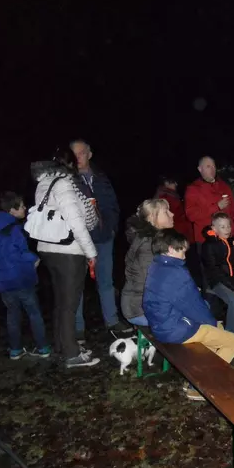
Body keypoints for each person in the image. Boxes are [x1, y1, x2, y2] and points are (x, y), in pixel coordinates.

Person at [143, 229, 234, 401]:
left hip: (161, 326)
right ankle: (200, 386)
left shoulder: (156, 266)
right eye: (181, 250)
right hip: (176, 329)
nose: (184, 255)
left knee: (214, 333)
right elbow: (194, 307)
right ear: (170, 249)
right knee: (233, 341)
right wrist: (210, 321)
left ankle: (196, 377)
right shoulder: (177, 272)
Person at [30, 160, 100, 368]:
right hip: (69, 251)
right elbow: (76, 222)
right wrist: (91, 252)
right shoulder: (63, 184)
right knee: (69, 304)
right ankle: (72, 355)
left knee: (61, 302)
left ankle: (62, 345)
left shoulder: (43, 183)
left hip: (47, 249)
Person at [69, 139, 132, 337]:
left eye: (81, 153)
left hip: (103, 238)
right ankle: (77, 328)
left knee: (105, 281)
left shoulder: (101, 177)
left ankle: (112, 321)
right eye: (74, 154)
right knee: (76, 284)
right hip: (78, 241)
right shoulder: (67, 180)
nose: (77, 157)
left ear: (89, 154)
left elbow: (113, 204)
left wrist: (112, 229)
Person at [0, 192, 49, 360]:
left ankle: (15, 350)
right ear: (12, 210)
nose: (25, 208)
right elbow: (15, 253)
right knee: (34, 312)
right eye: (22, 205)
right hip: (21, 277)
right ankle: (43, 348)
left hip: (2, 279)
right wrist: (34, 258)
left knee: (12, 314)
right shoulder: (13, 228)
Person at [120, 199, 174, 328]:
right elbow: (152, 284)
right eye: (166, 211)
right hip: (139, 309)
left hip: (146, 304)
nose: (172, 214)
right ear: (151, 218)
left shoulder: (156, 239)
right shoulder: (148, 245)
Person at [185, 156, 234, 245]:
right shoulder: (193, 189)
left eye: (213, 166)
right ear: (200, 169)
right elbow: (192, 215)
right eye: (208, 166)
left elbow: (233, 210)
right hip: (206, 240)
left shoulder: (224, 186)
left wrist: (233, 229)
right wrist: (217, 207)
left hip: (227, 237)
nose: (212, 169)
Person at [156, 176, 194, 244]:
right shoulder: (165, 197)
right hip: (176, 234)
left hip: (181, 232)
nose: (176, 184)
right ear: (166, 183)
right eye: (173, 182)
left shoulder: (172, 195)